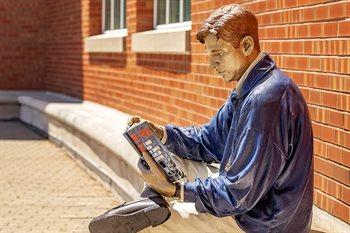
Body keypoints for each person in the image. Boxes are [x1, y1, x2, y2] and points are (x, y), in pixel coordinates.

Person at [89, 3, 314, 233]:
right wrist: (163, 134)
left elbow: (238, 194)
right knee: (168, 161)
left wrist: (176, 191)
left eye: (218, 53)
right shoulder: (248, 89)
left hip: (262, 223)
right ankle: (152, 206)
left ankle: (153, 210)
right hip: (250, 204)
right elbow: (208, 141)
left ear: (246, 45)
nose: (211, 64)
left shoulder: (266, 99)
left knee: (156, 225)